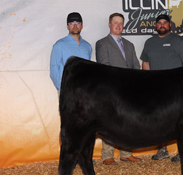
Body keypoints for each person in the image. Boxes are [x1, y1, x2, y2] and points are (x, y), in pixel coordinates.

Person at [140, 14, 183, 161]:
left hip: (176, 88)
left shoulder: (178, 40)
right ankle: (163, 150)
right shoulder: (149, 42)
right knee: (160, 120)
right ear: (156, 26)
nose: (162, 25)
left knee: (180, 120)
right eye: (159, 23)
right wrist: (147, 81)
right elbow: (145, 63)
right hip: (156, 88)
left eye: (165, 23)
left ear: (170, 25)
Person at [95, 13, 142, 165]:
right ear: (109, 24)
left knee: (128, 121)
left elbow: (136, 66)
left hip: (129, 91)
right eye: (115, 22)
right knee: (110, 122)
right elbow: (104, 67)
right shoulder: (102, 43)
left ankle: (126, 153)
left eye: (121, 23)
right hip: (112, 91)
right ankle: (107, 156)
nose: (118, 25)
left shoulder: (129, 45)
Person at [50, 12, 92, 147]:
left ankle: (82, 157)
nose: (75, 26)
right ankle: (67, 158)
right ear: (68, 26)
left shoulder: (87, 46)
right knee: (67, 125)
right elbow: (54, 70)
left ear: (82, 26)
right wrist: (62, 90)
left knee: (85, 124)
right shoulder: (59, 45)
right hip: (67, 91)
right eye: (72, 23)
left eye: (78, 23)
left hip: (85, 93)